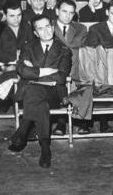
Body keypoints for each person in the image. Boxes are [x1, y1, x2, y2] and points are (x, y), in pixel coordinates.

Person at [8, 15, 72, 168]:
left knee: (33, 90)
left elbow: (61, 76)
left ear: (53, 26)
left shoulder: (64, 49)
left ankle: (23, 130)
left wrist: (34, 71)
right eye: (40, 28)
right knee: (39, 103)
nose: (46, 31)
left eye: (48, 26)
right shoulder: (28, 47)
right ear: (36, 33)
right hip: (35, 95)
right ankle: (45, 149)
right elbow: (22, 70)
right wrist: (44, 71)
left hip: (55, 94)